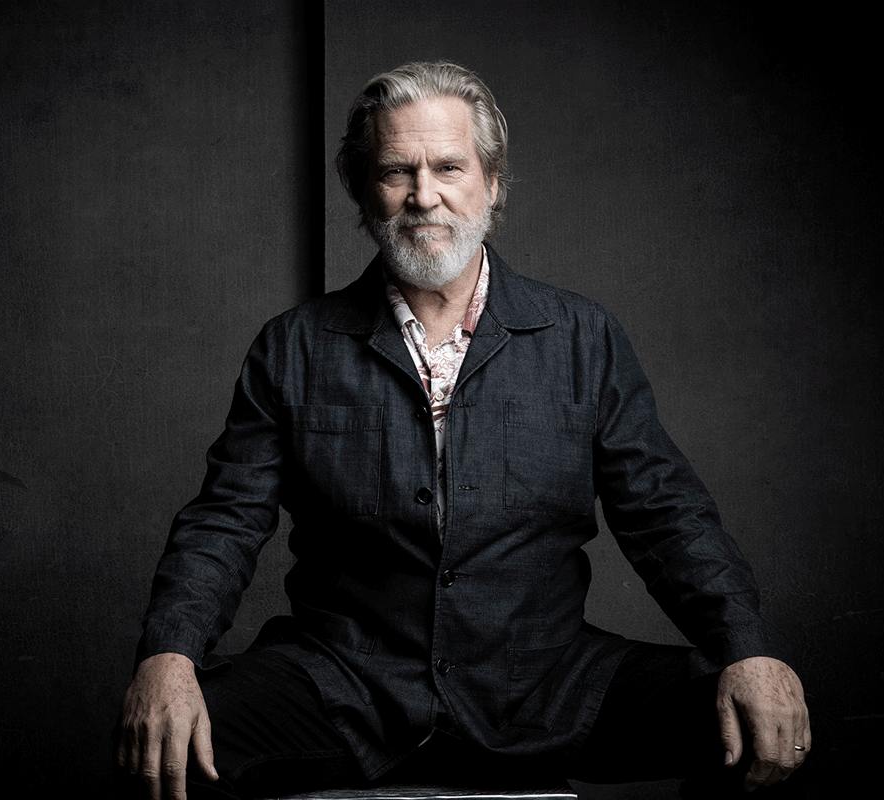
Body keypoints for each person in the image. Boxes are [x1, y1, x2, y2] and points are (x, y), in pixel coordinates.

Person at [116, 62, 810, 800]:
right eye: (396, 171)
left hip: (545, 683)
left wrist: (747, 648)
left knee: (757, 725)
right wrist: (168, 654)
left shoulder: (583, 338)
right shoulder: (295, 346)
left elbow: (665, 514)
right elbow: (225, 520)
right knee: (167, 746)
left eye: (448, 166)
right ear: (363, 188)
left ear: (492, 182)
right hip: (346, 683)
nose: (424, 195)